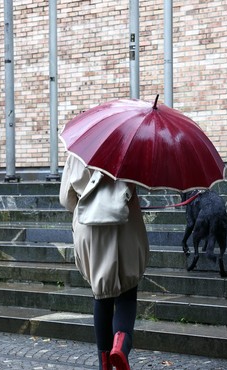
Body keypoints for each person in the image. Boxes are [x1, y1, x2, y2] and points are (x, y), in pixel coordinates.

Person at [59, 154, 150, 370]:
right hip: (125, 224)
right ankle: (120, 345)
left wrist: (87, 207)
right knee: (127, 294)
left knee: (101, 295)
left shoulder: (78, 151)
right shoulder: (131, 148)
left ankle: (104, 364)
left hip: (90, 226)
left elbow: (66, 198)